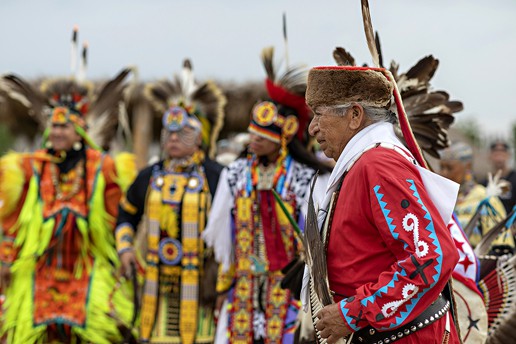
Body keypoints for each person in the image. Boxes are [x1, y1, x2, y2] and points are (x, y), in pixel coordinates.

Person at [304, 66, 461, 343]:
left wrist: (355, 312)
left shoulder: (378, 165)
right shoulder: (362, 165)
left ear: (354, 115)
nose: (312, 127)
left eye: (319, 113)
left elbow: (431, 259)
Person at [203, 47, 330, 344]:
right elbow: (224, 241)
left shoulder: (307, 178)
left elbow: (319, 237)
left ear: (284, 135)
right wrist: (223, 287)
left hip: (290, 284)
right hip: (243, 283)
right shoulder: (234, 175)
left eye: (263, 136)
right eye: (253, 134)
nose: (254, 141)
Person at [0, 80, 132, 343]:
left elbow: (116, 219)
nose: (57, 132)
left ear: (80, 130)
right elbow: (11, 221)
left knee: (100, 332)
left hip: (88, 269)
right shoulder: (29, 168)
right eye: (54, 126)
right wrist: (5, 258)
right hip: (38, 271)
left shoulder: (104, 169)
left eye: (64, 126)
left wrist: (124, 254)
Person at [116, 61, 226, 344]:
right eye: (169, 134)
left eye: (183, 134)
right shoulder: (149, 176)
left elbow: (231, 227)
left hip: (201, 284)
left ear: (199, 138)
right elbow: (126, 213)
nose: (174, 139)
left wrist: (224, 278)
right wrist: (126, 248)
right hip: (155, 283)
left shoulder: (216, 176)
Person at [440, 141, 507, 247]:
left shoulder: (485, 199)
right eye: (441, 167)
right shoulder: (439, 199)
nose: (443, 173)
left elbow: (500, 246)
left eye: (449, 168)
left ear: (467, 166)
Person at [481, 140, 516, 214]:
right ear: (490, 156)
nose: (499, 158)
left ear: (508, 155)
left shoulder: (514, 179)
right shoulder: (484, 182)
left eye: (502, 153)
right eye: (496, 154)